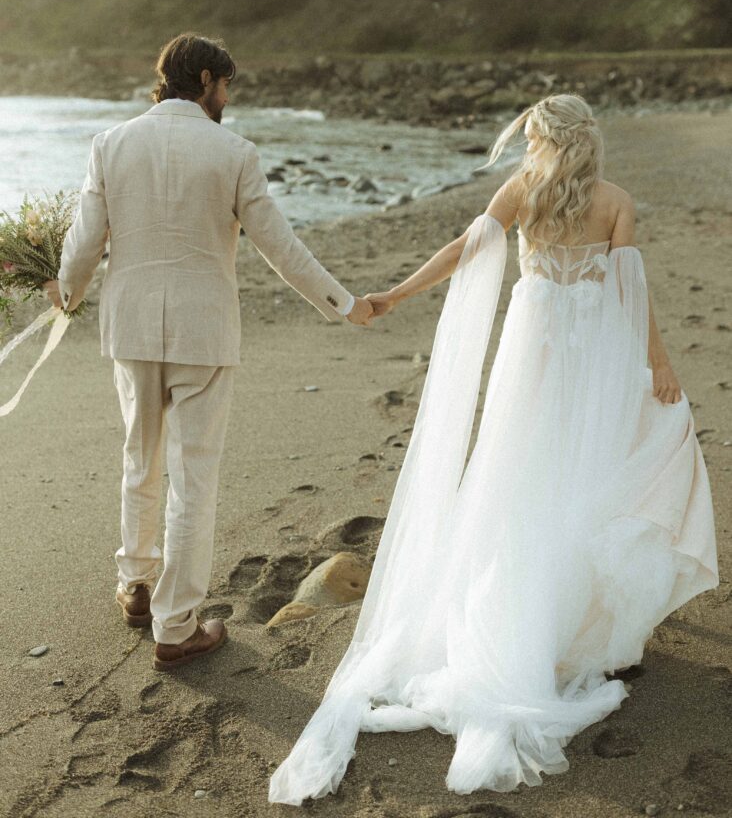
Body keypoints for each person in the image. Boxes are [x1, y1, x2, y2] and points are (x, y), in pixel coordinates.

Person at [268, 93, 719, 804]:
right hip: (592, 351)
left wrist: (397, 292)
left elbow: (467, 251)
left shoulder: (523, 192)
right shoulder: (616, 201)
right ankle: (586, 626)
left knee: (522, 477)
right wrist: (659, 365)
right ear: (591, 142)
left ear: (543, 141)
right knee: (590, 471)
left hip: (533, 350)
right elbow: (634, 297)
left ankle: (540, 614)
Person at [43, 32, 373, 671]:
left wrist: (65, 292)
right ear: (202, 79)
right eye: (225, 85)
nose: (228, 97)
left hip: (132, 328)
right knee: (192, 477)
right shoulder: (234, 152)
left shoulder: (109, 145)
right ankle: (175, 625)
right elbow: (279, 247)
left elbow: (84, 244)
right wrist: (344, 303)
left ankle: (135, 586)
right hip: (204, 333)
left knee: (140, 457)